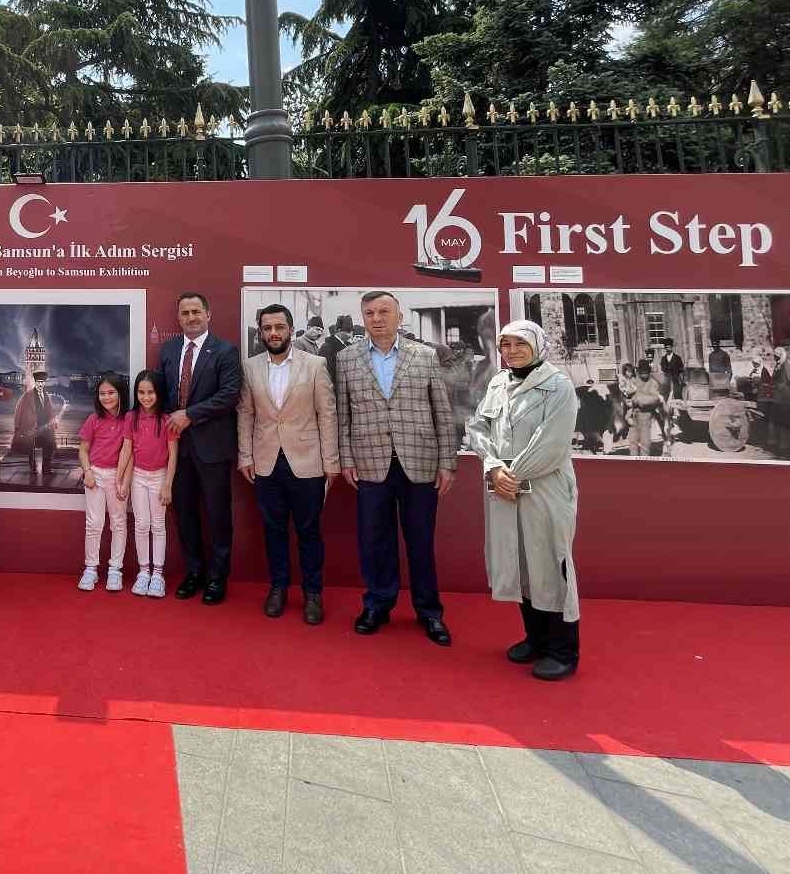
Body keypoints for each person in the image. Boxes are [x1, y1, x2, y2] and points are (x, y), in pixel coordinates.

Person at [333, 290, 457, 646]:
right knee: (375, 540)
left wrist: (447, 462)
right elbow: (344, 414)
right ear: (362, 318)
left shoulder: (425, 355)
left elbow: (442, 413)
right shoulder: (346, 359)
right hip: (370, 462)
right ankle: (377, 604)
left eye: (384, 311)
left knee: (420, 542)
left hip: (420, 462)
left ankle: (429, 612)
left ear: (399, 316)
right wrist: (347, 458)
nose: (377, 318)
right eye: (369, 312)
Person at [465, 320, 582, 680]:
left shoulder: (558, 387)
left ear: (537, 345)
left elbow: (552, 443)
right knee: (519, 561)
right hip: (503, 487)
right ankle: (536, 638)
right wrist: (492, 467)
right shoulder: (499, 383)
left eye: (520, 344)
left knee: (550, 560)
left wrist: (509, 476)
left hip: (543, 489)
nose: (511, 351)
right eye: (505, 345)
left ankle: (563, 651)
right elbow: (478, 426)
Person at [237, 303, 340, 626]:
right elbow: (246, 414)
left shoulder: (315, 364)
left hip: (307, 462)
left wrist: (331, 461)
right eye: (267, 328)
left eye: (279, 327)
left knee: (309, 531)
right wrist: (245, 456)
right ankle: (278, 588)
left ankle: (312, 594)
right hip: (266, 463)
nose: (273, 333)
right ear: (261, 331)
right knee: (273, 530)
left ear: (290, 329)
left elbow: (327, 413)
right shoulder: (250, 367)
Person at [159, 292, 242, 605]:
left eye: (196, 312)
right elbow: (165, 394)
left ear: (209, 314)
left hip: (213, 447)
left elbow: (229, 395)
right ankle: (194, 573)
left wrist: (190, 415)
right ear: (178, 317)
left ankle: (217, 578)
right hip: (178, 450)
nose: (191, 317)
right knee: (185, 514)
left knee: (218, 515)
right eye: (185, 313)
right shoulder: (168, 350)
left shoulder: (225, 351)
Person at [76, 373, 134, 592]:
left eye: (111, 393)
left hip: (117, 477)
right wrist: (88, 472)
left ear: (120, 394)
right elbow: (83, 449)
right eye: (102, 393)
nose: (106, 397)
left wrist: (123, 481)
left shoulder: (129, 419)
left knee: (118, 523)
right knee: (94, 523)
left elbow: (131, 453)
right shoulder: (94, 419)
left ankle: (115, 570)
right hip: (96, 476)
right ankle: (90, 568)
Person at [123, 371, 176, 597]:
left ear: (158, 393)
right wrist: (120, 479)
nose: (146, 397)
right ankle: (143, 572)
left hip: (159, 477)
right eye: (141, 393)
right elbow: (127, 449)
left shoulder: (167, 420)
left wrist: (167, 485)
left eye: (151, 392)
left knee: (158, 526)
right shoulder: (130, 418)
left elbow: (173, 455)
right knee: (141, 525)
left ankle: (158, 574)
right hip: (137, 477)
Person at [11, 370, 64, 488]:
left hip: (46, 427)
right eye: (38, 382)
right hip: (31, 427)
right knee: (31, 448)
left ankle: (46, 468)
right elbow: (18, 411)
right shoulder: (27, 395)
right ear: (35, 382)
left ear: (44, 383)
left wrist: (53, 422)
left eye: (42, 382)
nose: (40, 384)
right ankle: (33, 469)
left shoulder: (46, 396)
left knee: (48, 447)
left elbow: (50, 411)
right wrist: (17, 427)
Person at [626, 361, 664, 457]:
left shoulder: (653, 383)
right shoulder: (635, 381)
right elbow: (628, 394)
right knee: (632, 441)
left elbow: (654, 399)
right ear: (638, 372)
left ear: (649, 372)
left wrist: (638, 400)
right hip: (633, 414)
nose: (644, 374)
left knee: (645, 442)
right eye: (642, 372)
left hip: (645, 415)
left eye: (646, 372)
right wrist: (631, 393)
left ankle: (644, 462)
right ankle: (633, 462)